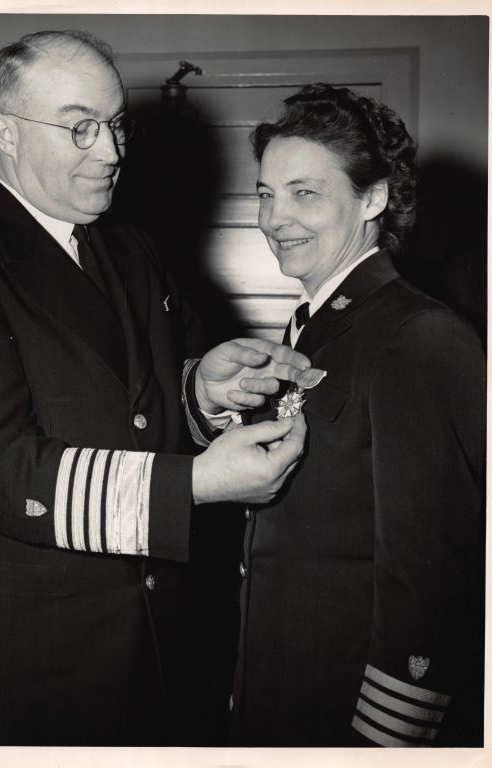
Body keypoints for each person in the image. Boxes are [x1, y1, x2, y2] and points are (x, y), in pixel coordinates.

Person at [0, 30, 311, 746]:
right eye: (80, 127)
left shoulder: (131, 246)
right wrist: (196, 486)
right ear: (6, 132)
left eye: (115, 124)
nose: (113, 151)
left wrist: (203, 390)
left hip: (157, 651)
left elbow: (146, 407)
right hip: (24, 665)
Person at [225, 84, 485, 747]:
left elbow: (431, 573)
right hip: (281, 697)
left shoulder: (417, 335)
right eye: (264, 193)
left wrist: (383, 743)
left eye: (303, 193)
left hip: (344, 719)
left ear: (371, 199)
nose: (274, 216)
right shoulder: (315, 325)